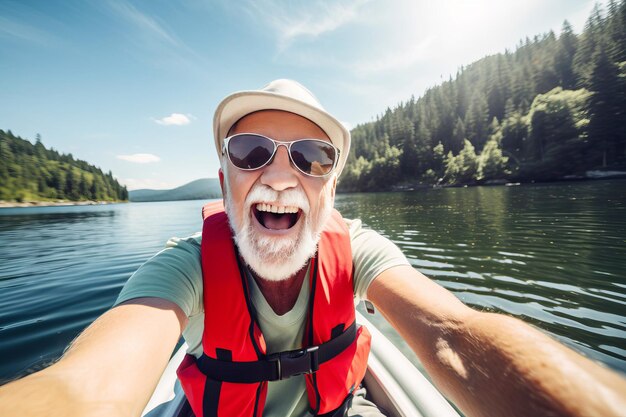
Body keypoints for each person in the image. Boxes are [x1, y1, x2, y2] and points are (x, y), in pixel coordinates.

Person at [1, 79, 625, 417]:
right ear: (225, 182)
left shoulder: (357, 251)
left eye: (310, 157)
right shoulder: (184, 266)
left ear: (330, 187)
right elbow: (90, 385)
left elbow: (452, 334)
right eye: (250, 154)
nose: (278, 176)